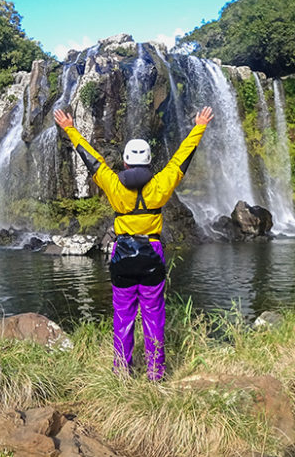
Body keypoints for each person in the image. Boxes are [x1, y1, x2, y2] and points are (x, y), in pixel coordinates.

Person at [54, 106, 214, 380]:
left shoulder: (114, 185)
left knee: (123, 318)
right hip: (151, 253)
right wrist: (199, 126)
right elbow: (181, 159)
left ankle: (121, 372)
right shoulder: (161, 184)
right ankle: (155, 373)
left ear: (125, 163)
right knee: (154, 317)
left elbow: (92, 161)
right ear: (150, 162)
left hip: (123, 255)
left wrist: (70, 128)